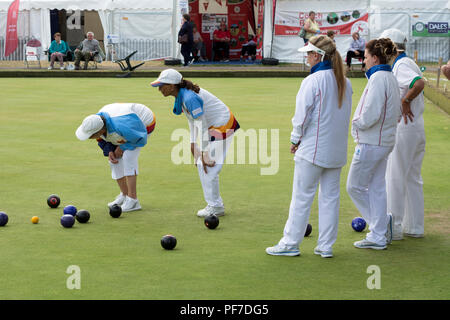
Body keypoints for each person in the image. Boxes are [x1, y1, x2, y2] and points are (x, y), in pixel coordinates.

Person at [266, 35, 353, 258]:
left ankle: (290, 243)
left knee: (302, 197)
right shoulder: (345, 81)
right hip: (336, 151)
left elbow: (301, 117)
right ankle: (325, 246)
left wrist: (295, 140)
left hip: (313, 149)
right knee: (330, 198)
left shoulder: (313, 81)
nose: (307, 58)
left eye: (309, 54)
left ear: (318, 55)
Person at [151, 69, 240, 217]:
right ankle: (214, 204)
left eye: (162, 85)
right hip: (212, 125)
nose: (159, 89)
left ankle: (216, 206)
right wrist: (193, 144)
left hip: (223, 124)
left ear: (172, 86)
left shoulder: (189, 98)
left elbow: (202, 124)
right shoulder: (181, 96)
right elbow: (192, 120)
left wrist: (204, 152)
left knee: (208, 165)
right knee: (201, 163)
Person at [346, 38, 402, 250]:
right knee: (377, 187)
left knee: (354, 186)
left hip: (372, 141)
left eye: (367, 57)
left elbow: (371, 113)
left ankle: (379, 226)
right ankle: (379, 234)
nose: (365, 61)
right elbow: (395, 112)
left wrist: (355, 123)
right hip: (384, 141)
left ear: (375, 58)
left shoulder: (378, 78)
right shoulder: (389, 76)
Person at [380, 29, 426, 240]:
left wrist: (405, 100)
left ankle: (395, 227)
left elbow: (418, 82)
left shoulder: (402, 64)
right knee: (411, 178)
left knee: (395, 176)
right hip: (415, 126)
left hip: (405, 127)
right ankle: (414, 226)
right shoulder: (406, 63)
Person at [75, 103, 156, 212]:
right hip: (124, 125)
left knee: (128, 156)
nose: (89, 138)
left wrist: (122, 148)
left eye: (91, 135)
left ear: (99, 131)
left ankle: (133, 200)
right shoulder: (96, 123)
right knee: (114, 160)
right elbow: (103, 139)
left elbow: (140, 138)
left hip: (144, 121)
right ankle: (125, 194)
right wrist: (110, 151)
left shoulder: (120, 126)